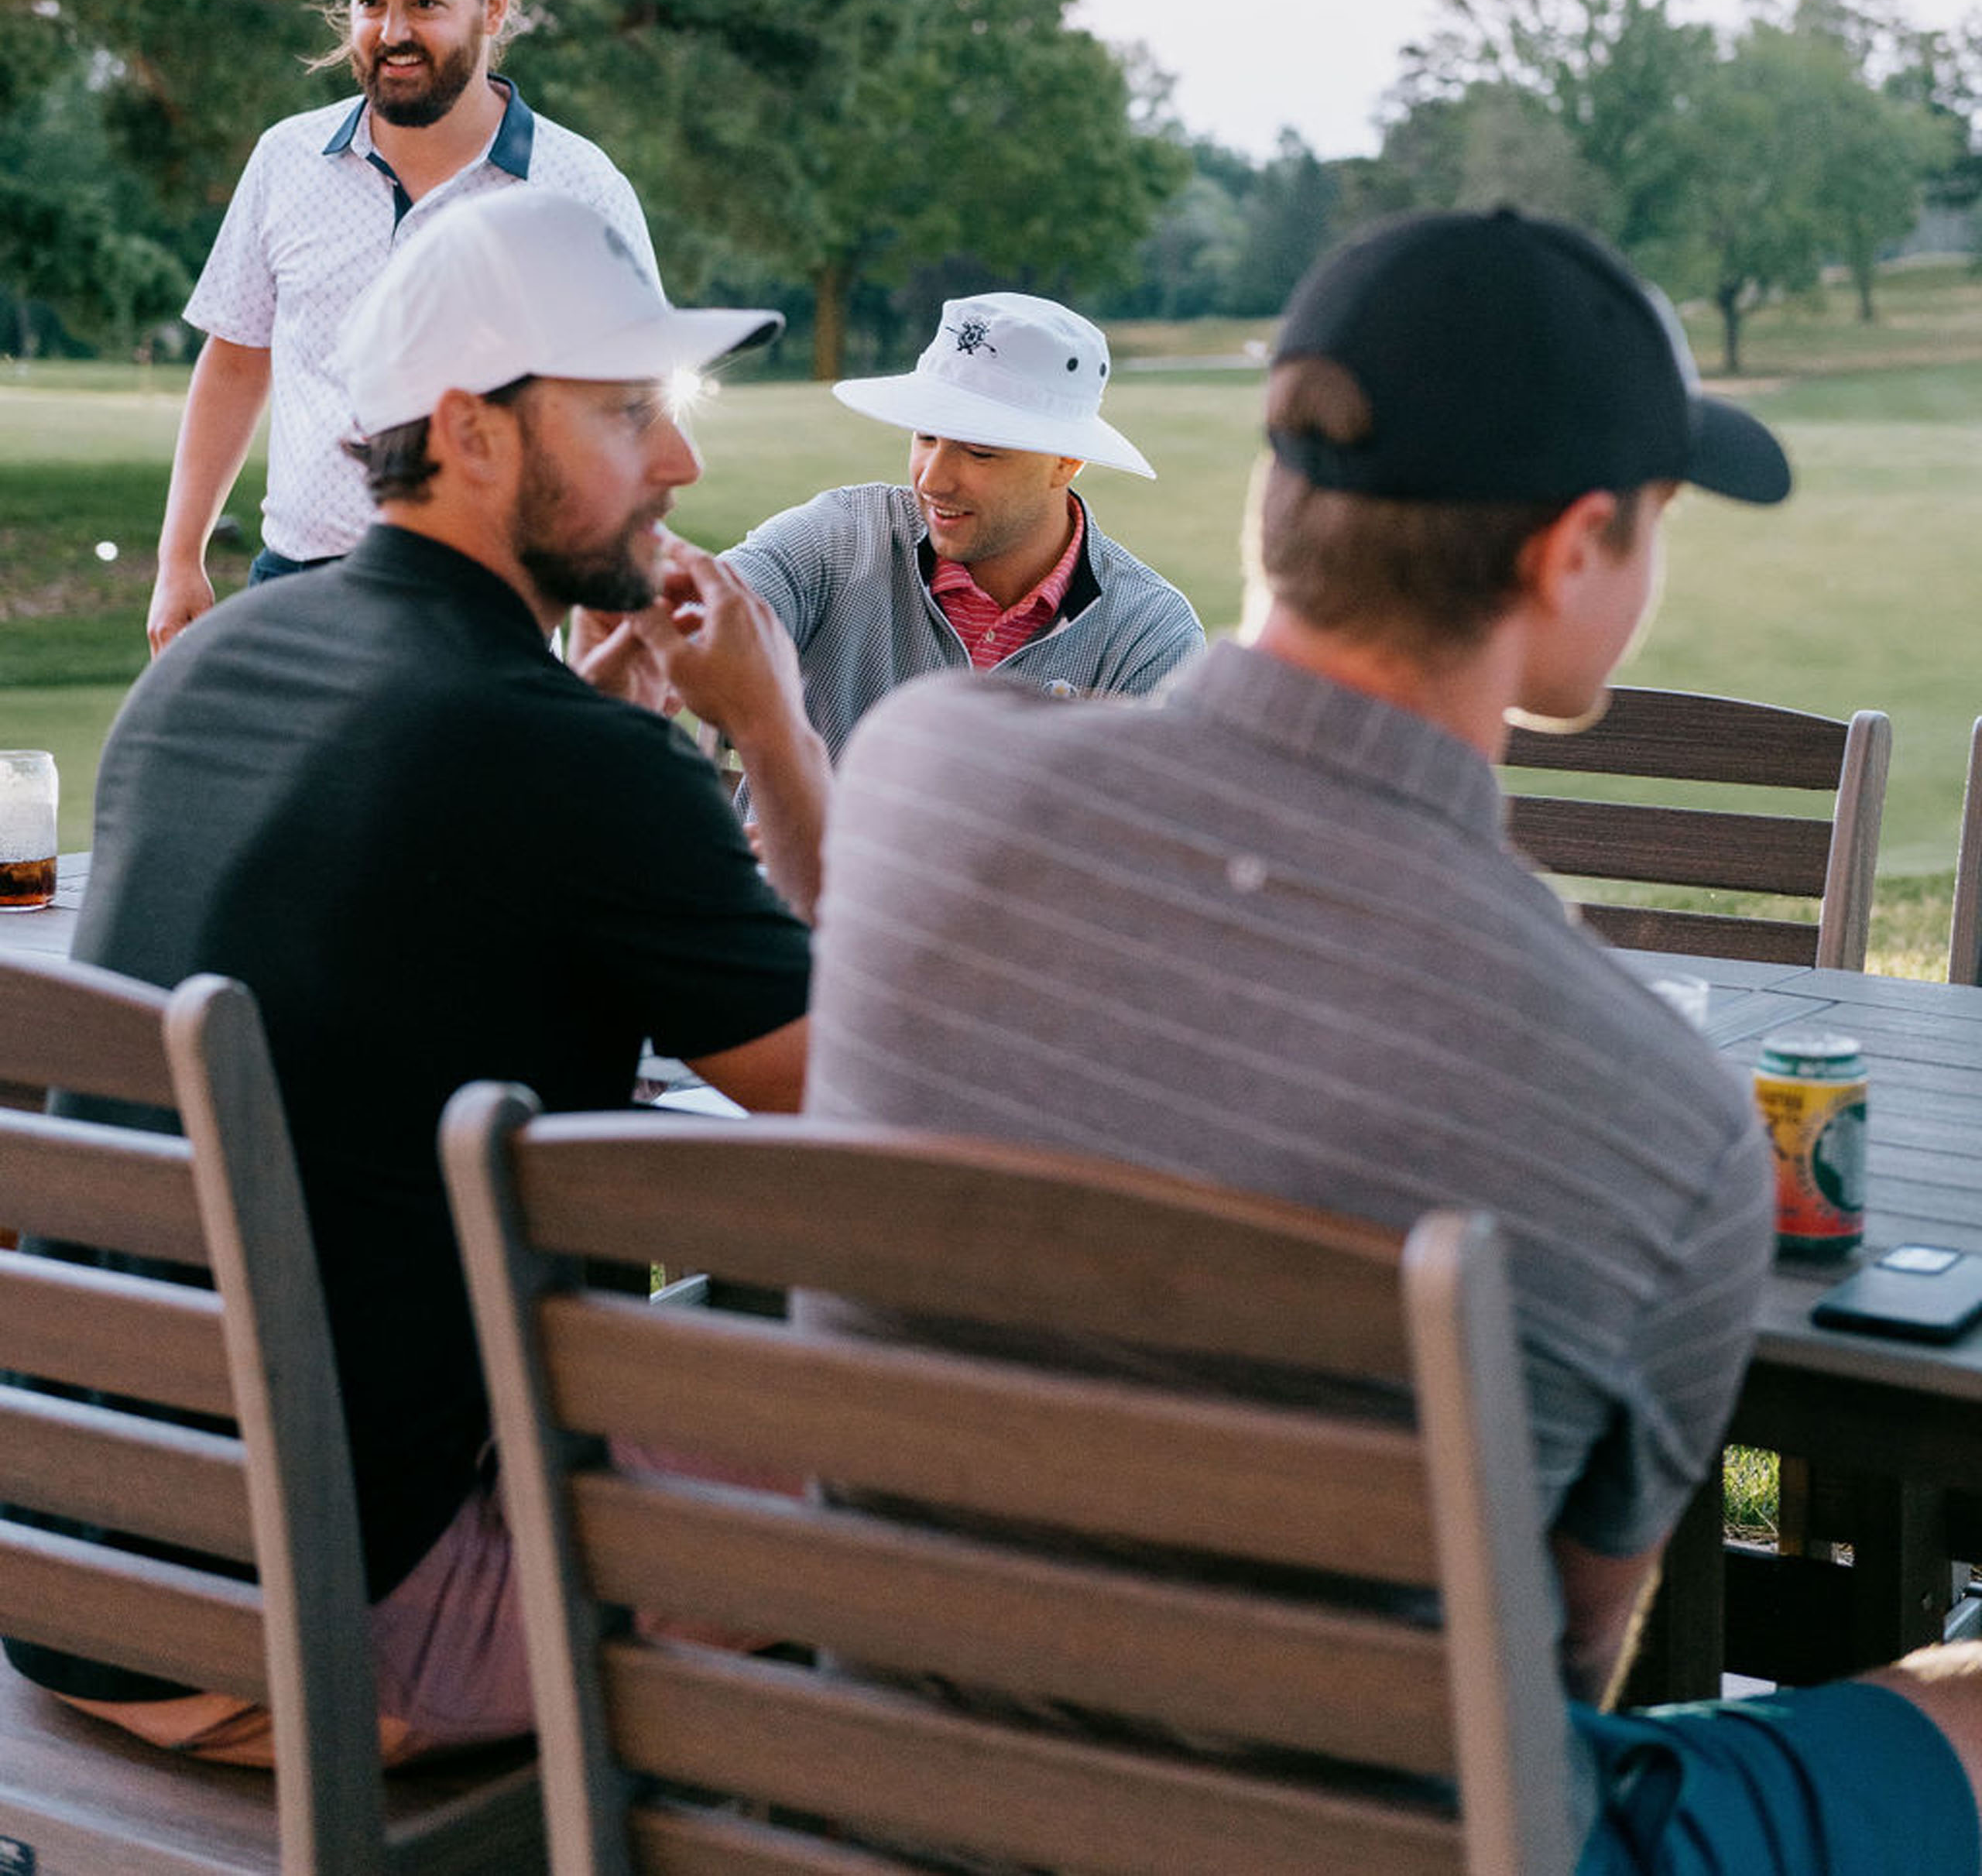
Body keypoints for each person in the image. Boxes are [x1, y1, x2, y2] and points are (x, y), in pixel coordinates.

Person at [807, 207, 1982, 1874]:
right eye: (1652, 516)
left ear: (1276, 497)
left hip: (906, 1807)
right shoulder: (1654, 1116)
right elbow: (1556, 1684)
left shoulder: (915, 782)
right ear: (1573, 550)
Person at [19, 189, 821, 1765]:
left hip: (66, 1565)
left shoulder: (200, 674)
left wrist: (602, 745)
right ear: (468, 431)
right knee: (936, 1449)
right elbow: (874, 1111)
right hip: (314, 1629)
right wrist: (777, 733)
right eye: (624, 409)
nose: (680, 459)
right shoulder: (563, 759)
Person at [147, 0, 657, 650]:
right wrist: (178, 556)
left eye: (425, 3)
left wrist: (603, 611)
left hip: (487, 596)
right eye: (368, 2)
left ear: (491, 10)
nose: (392, 30)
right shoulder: (286, 158)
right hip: (298, 588)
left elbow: (635, 406)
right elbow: (235, 361)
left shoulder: (578, 186)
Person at [725, 290, 1203, 763]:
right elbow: (695, 613)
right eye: (926, 436)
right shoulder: (836, 539)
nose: (932, 479)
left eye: (979, 453)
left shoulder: (1150, 635)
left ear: (1067, 463)